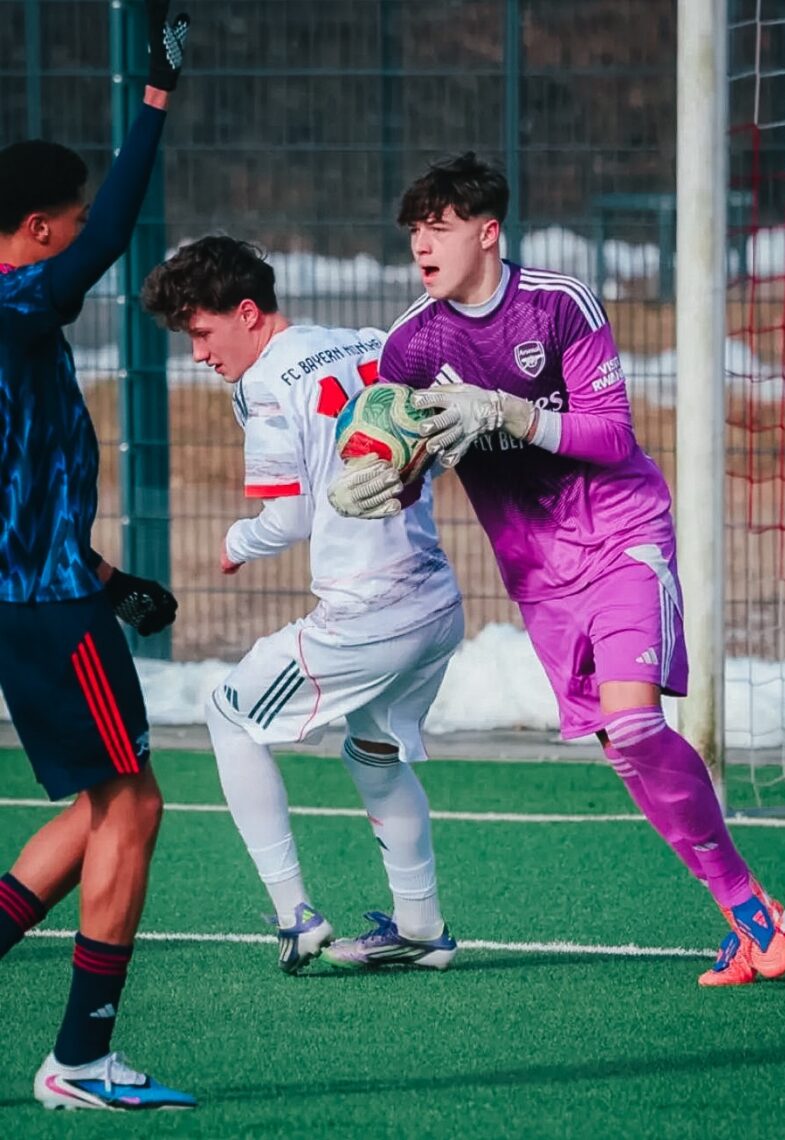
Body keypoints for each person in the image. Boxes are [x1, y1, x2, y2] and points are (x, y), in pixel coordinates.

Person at [328, 152, 785, 987]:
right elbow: (405, 462)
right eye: (414, 233)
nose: (422, 247)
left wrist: (511, 412)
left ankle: (744, 900)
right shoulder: (410, 344)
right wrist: (376, 488)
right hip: (537, 573)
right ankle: (739, 905)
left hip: (620, 534)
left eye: (438, 229)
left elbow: (612, 434)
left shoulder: (557, 304)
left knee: (637, 723)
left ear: (487, 232)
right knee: (624, 750)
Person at [140, 235, 464, 975]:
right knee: (374, 754)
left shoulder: (264, 383)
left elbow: (286, 519)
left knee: (229, 715)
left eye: (202, 333)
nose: (198, 354)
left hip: (368, 615)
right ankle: (421, 929)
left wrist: (236, 542)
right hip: (436, 601)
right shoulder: (370, 342)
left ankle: (295, 916)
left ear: (247, 313)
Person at [0, 2, 197, 1111]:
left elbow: (21, 493)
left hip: (46, 596)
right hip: (43, 608)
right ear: (35, 229)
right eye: (66, 225)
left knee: (95, 806)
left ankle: (80, 1056)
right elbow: (113, 232)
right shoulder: (11, 302)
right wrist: (157, 98)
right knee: (134, 808)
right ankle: (80, 1060)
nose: (80, 237)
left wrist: (113, 583)